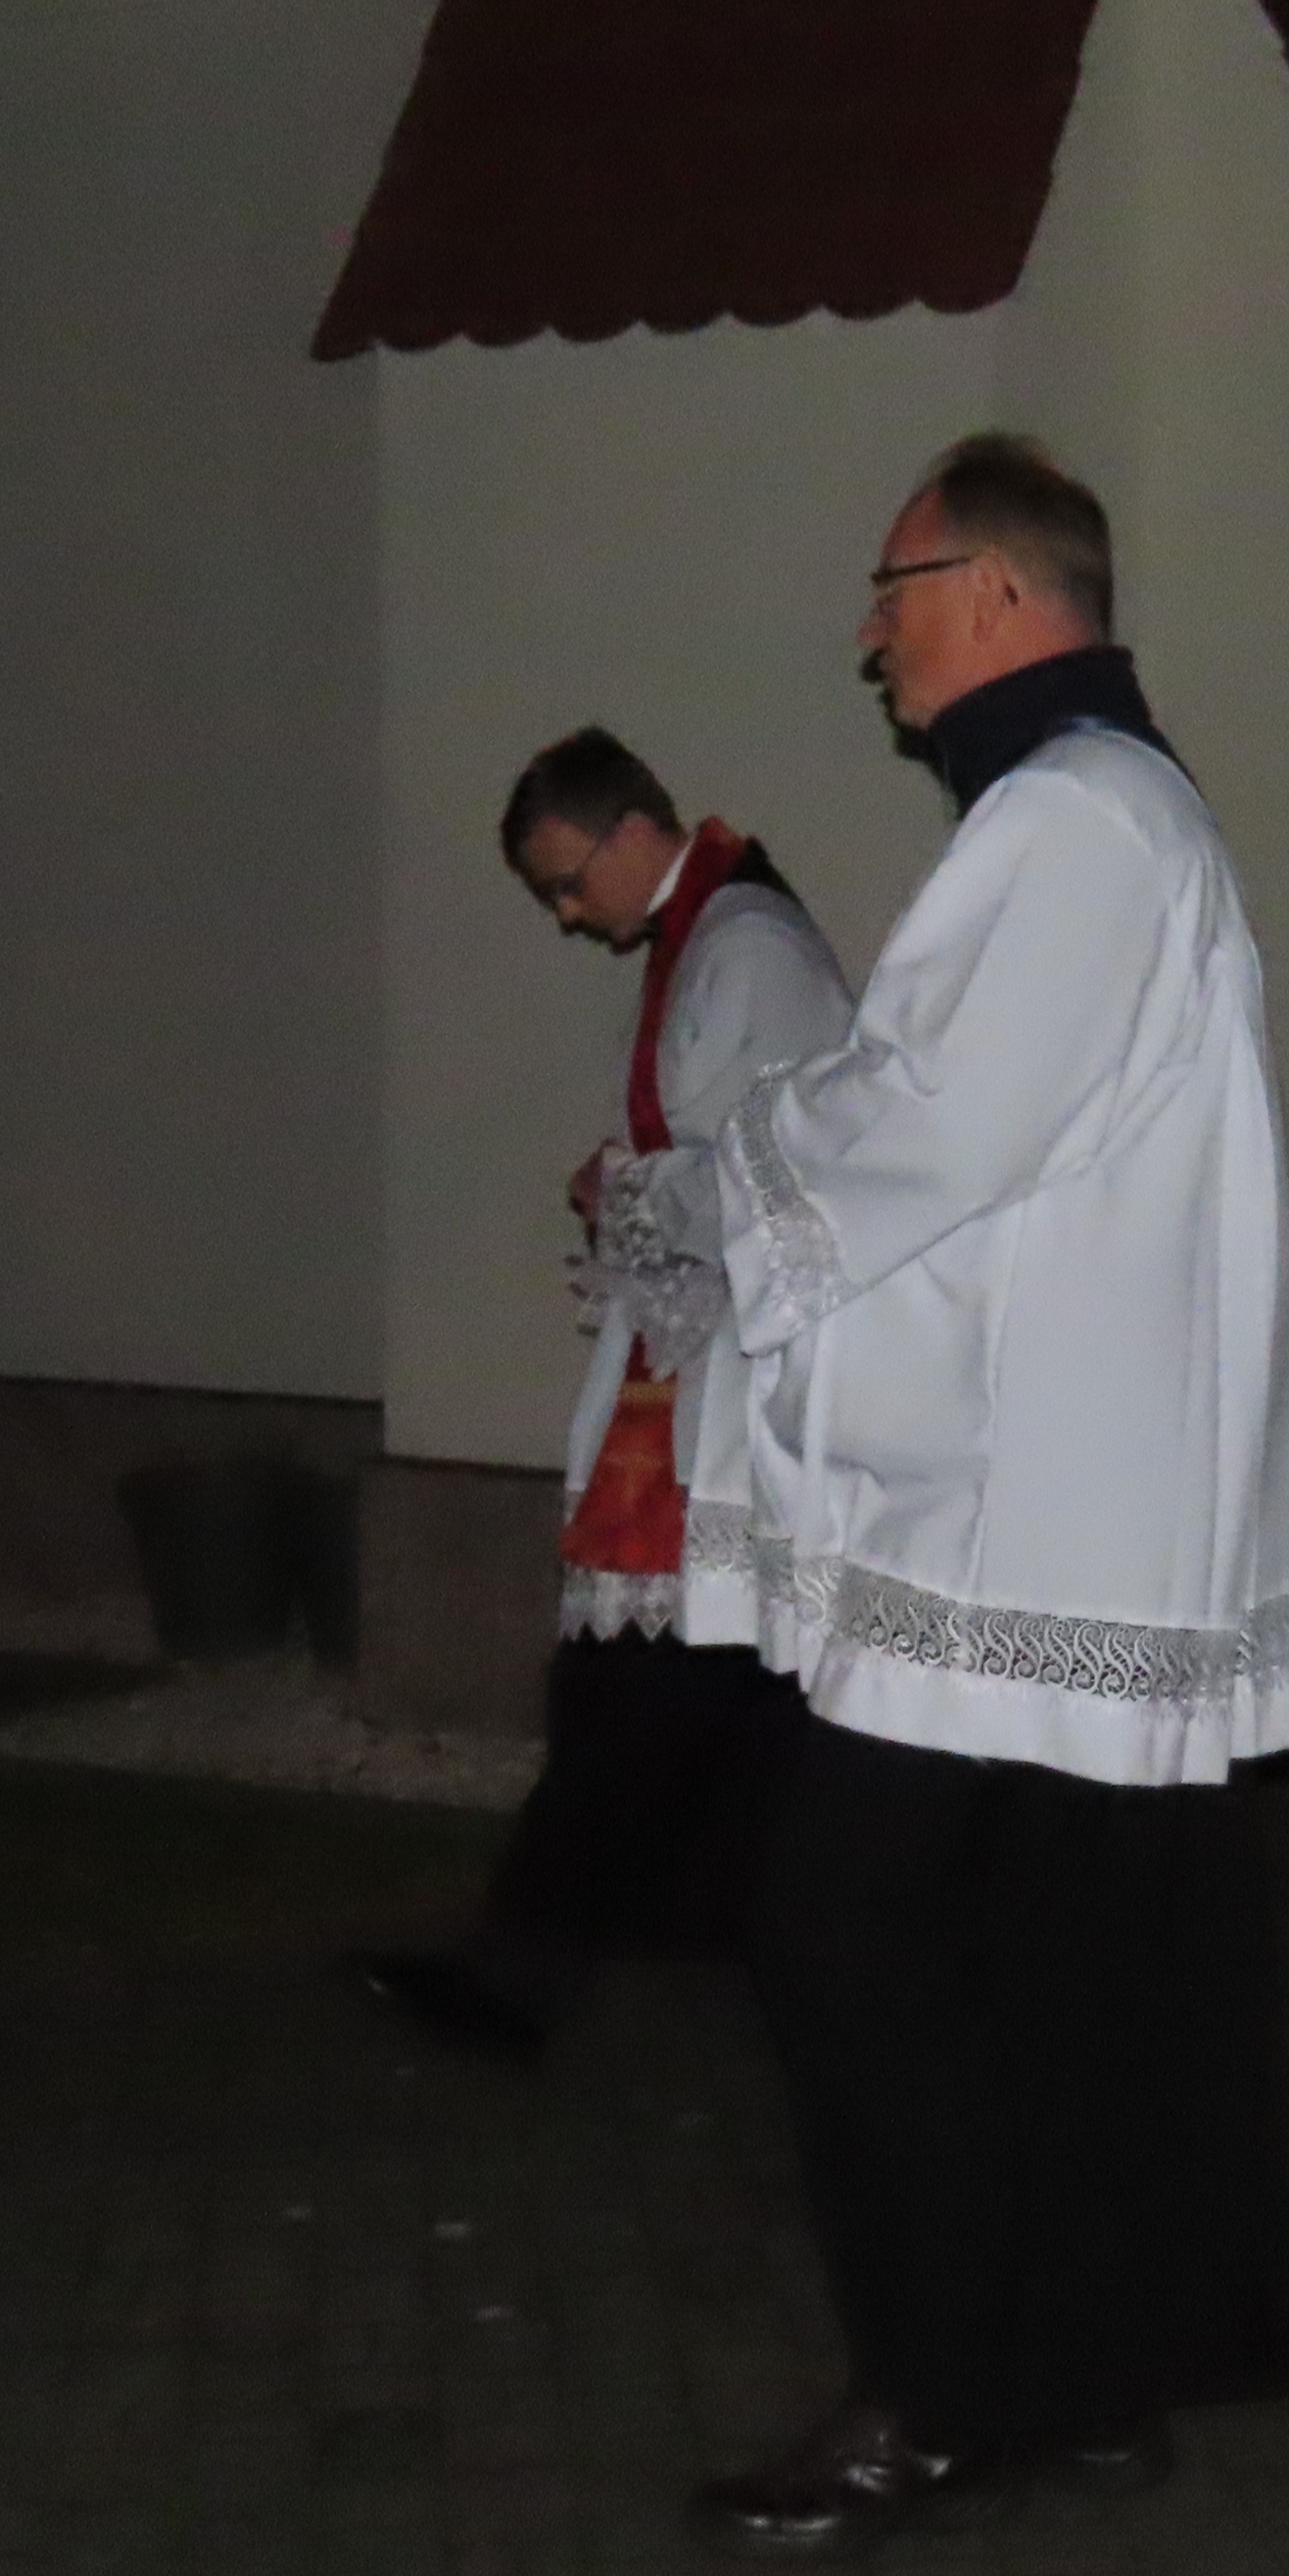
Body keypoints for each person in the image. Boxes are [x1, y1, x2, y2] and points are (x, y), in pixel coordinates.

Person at [596, 434, 1289, 2554]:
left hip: (1015, 1518)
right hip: (1060, 1495)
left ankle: (930, 2386)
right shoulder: (1108, 809)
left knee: (841, 1924)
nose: (871, 635)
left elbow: (927, 1119)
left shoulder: (1073, 819)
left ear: (1000, 592)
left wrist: (714, 1187)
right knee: (1060, 1954)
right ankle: (1083, 2368)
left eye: (893, 589)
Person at [352, 729, 848, 2059]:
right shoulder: (721, 934)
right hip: (704, 1373)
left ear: (632, 831)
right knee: (705, 1682)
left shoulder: (748, 950)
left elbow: (772, 1179)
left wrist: (619, 1187)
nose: (569, 916)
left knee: (640, 1687)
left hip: (728, 1383)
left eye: (569, 882)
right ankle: (719, 1928)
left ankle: (531, 1971)